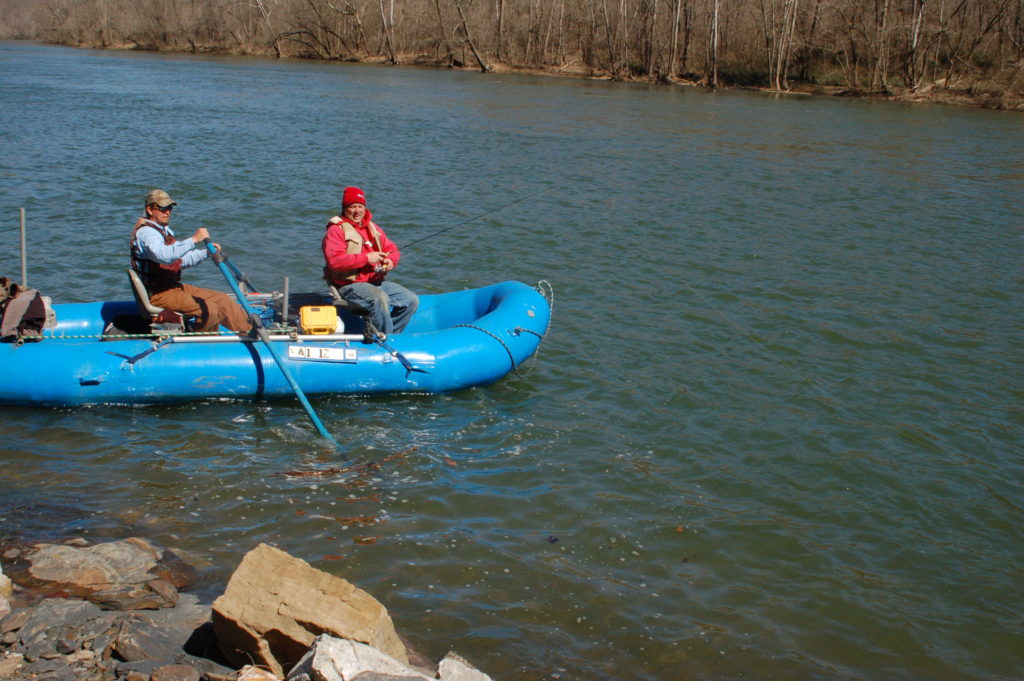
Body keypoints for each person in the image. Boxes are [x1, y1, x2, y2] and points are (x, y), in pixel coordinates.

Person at [130, 189, 251, 333]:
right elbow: (163, 255)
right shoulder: (147, 234)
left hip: (173, 287)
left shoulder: (163, 232)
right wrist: (194, 239)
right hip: (159, 294)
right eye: (162, 208)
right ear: (150, 210)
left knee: (223, 299)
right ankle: (205, 341)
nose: (167, 212)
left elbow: (180, 260)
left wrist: (206, 253)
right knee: (210, 308)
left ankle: (250, 333)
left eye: (169, 208)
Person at [322, 186, 419, 335]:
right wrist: (366, 258)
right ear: (344, 208)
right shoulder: (336, 230)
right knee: (380, 299)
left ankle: (390, 334)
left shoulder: (373, 228)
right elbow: (334, 261)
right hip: (349, 285)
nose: (357, 211)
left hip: (375, 282)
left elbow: (392, 249)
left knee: (411, 300)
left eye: (360, 206)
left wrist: (390, 260)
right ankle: (386, 339)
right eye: (352, 207)